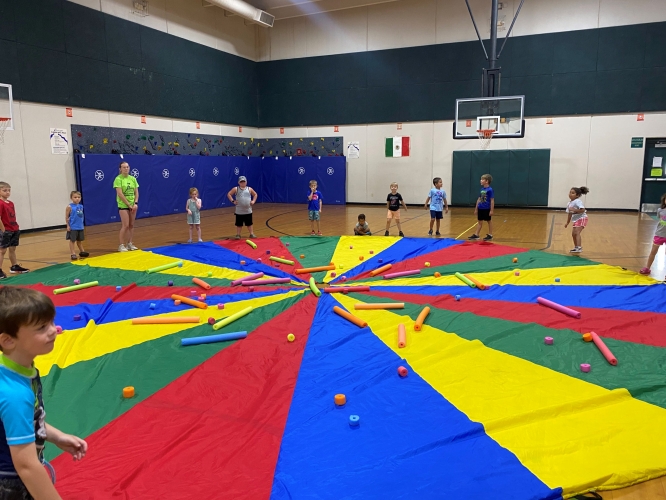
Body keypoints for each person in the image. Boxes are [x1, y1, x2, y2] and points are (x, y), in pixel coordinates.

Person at [0, 287, 87, 499]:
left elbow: (25, 420)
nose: (53, 330)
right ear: (8, 340)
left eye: (51, 322)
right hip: (12, 483)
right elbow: (27, 467)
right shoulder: (15, 395)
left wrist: (56, 436)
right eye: (41, 327)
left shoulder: (17, 368)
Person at [0, 181, 29, 279]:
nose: (7, 192)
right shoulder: (0, 203)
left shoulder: (11, 203)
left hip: (14, 229)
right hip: (5, 230)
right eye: (5, 190)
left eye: (9, 190)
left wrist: (16, 227)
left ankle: (14, 266)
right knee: (2, 250)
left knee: (12, 249)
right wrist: (3, 229)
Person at [113, 161, 139, 252]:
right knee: (125, 225)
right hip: (123, 205)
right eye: (124, 167)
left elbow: (136, 192)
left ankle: (130, 243)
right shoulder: (118, 179)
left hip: (133, 205)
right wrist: (128, 204)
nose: (126, 169)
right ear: (120, 169)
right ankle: (121, 245)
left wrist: (135, 203)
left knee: (131, 225)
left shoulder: (133, 179)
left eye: (127, 167)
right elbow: (120, 194)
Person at [640, 192, 666, 276]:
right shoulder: (660, 210)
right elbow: (659, 219)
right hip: (659, 234)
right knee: (653, 252)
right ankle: (647, 267)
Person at [65, 191, 90, 261]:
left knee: (79, 240)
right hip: (73, 227)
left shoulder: (81, 206)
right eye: (75, 197)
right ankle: (73, 253)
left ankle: (82, 251)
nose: (77, 199)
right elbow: (67, 217)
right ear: (71, 198)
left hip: (80, 226)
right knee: (72, 240)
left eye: (79, 197)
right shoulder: (69, 207)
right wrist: (68, 225)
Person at [468, 174, 494, 241]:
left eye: (482, 179)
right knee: (479, 221)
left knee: (489, 221)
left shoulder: (490, 190)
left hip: (486, 208)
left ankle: (490, 234)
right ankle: (476, 234)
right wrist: (476, 208)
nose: (481, 180)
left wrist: (491, 210)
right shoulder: (482, 189)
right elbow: (479, 199)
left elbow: (492, 200)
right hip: (480, 208)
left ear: (487, 181)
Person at [564, 186, 590, 253]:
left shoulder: (577, 201)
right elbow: (570, 214)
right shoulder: (569, 203)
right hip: (576, 220)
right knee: (573, 234)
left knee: (577, 232)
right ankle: (576, 247)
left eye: (573, 193)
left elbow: (583, 210)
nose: (570, 194)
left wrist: (574, 210)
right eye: (570, 192)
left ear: (577, 195)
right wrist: (567, 223)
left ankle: (579, 247)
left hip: (582, 218)